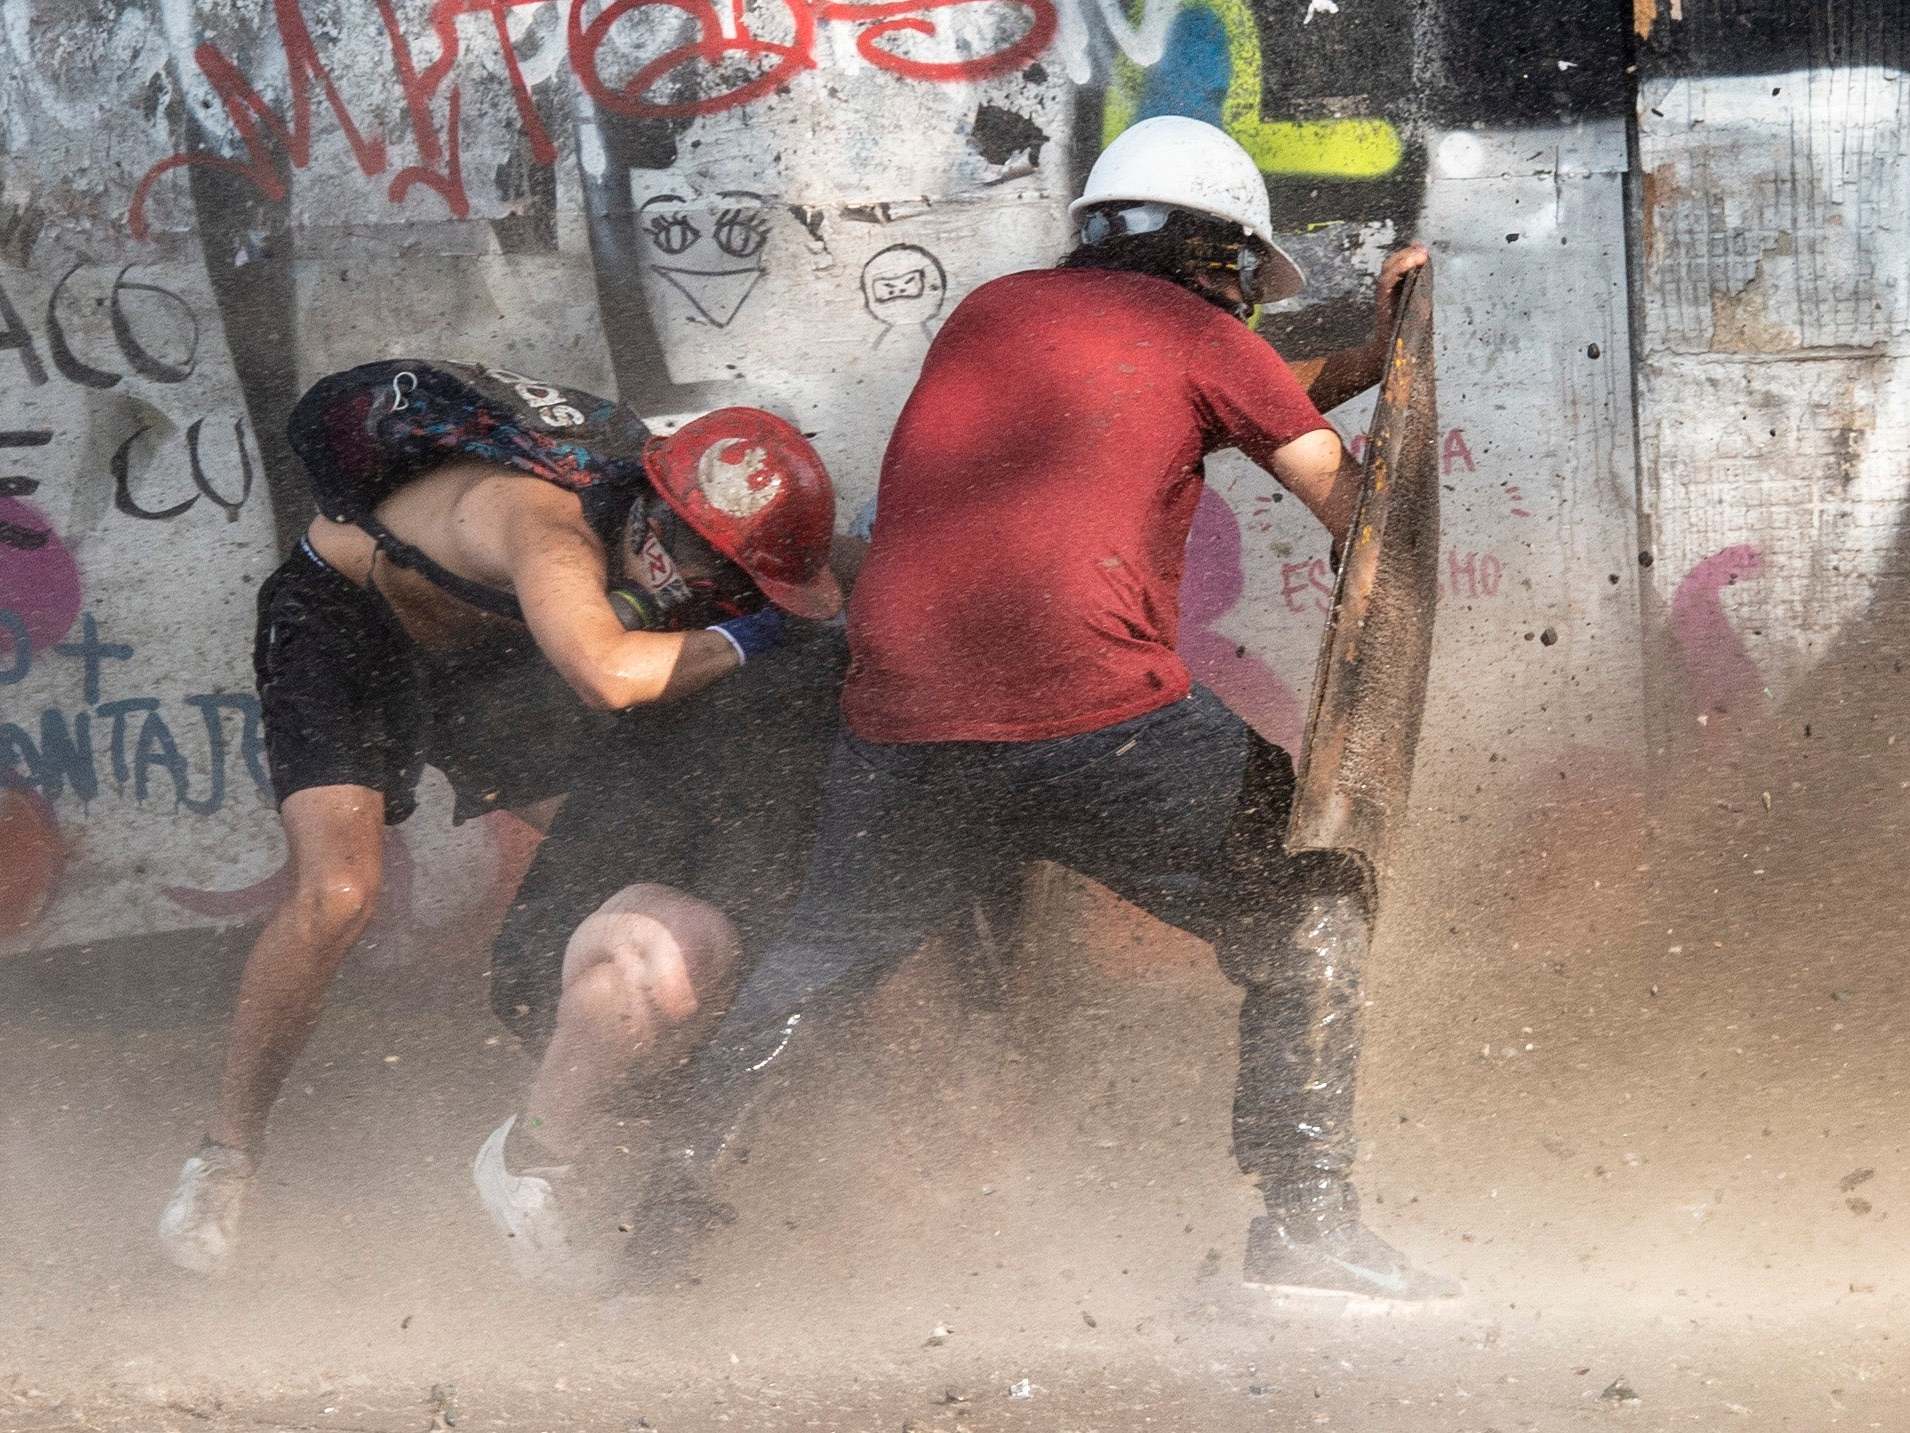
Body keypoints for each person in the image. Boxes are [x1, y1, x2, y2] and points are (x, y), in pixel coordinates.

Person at [648, 115, 1456, 1302]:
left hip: (897, 730)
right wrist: (1393, 369)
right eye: (1238, 277)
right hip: (1096, 720)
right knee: (1313, 902)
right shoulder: (1198, 331)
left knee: (812, 969)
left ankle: (658, 1234)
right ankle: (1305, 1224)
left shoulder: (990, 315)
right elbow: (1354, 515)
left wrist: (1354, 364)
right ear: (1215, 257)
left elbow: (1192, 396)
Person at [157, 363, 844, 1278]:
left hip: (482, 652)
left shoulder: (665, 536)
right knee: (339, 893)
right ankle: (223, 1158)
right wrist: (750, 636)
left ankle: (565, 1121)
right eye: (720, 580)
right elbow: (605, 671)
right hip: (352, 627)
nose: (722, 601)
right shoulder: (546, 521)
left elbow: (833, 584)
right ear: (654, 524)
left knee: (613, 832)